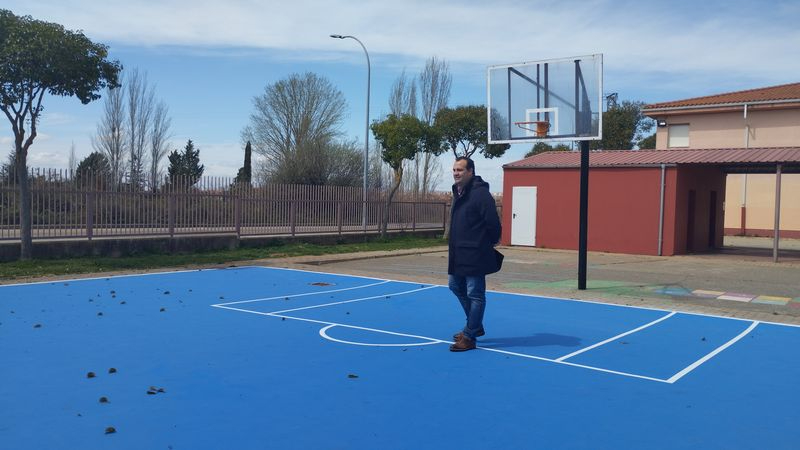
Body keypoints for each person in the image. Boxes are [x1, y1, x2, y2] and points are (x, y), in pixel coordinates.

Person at [447, 156, 502, 352]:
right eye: (454, 169)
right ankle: (474, 325)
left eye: (460, 170)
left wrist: (485, 244)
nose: (456, 173)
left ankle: (469, 336)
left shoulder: (480, 195)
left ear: (470, 171)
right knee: (454, 286)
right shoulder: (458, 193)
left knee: (475, 293)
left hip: (476, 253)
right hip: (458, 253)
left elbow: (494, 225)